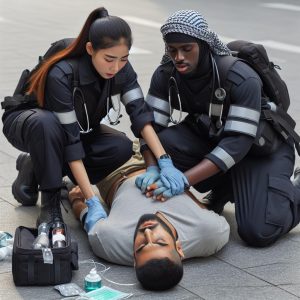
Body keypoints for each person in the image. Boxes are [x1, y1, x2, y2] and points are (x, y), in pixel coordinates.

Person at [1, 7, 187, 227]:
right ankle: (50, 206)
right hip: (30, 123)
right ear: (90, 49)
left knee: (121, 147)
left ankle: (36, 165)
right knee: (47, 124)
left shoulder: (122, 70)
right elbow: (70, 141)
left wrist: (163, 162)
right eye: (109, 59)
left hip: (73, 131)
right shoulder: (63, 73)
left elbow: (141, 116)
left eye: (124, 59)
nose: (116, 67)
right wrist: (91, 200)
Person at [136, 9, 300, 247]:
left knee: (258, 231)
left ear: (203, 44)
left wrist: (184, 179)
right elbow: (149, 129)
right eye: (172, 50)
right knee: (163, 145)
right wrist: (153, 167)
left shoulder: (239, 76)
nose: (179, 57)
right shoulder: (165, 75)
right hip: (213, 136)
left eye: (186, 48)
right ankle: (226, 187)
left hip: (258, 148)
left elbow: (237, 144)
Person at [67, 144, 230, 291]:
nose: (148, 233)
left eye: (141, 246)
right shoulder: (209, 234)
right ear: (179, 249)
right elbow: (202, 209)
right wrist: (180, 186)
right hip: (164, 155)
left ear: (134, 260)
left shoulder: (109, 241)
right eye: (160, 242)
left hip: (116, 169)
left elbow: (88, 217)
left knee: (74, 134)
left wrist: (75, 199)